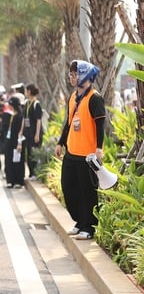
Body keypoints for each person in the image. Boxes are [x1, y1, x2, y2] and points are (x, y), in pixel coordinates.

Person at [55, 60, 106, 241]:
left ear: (84, 75)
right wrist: (61, 143)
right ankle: (79, 221)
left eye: (75, 74)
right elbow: (68, 123)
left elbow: (100, 125)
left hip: (87, 155)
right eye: (70, 74)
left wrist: (99, 149)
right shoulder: (72, 97)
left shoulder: (95, 98)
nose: (71, 77)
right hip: (71, 152)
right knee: (69, 187)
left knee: (87, 192)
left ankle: (89, 227)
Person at [19, 83, 43, 180]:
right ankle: (30, 173)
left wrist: (37, 134)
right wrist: (21, 130)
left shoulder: (36, 104)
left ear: (29, 91)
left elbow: (38, 120)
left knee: (34, 153)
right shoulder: (26, 103)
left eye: (26, 90)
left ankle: (35, 173)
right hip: (27, 133)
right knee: (28, 153)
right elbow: (24, 119)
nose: (25, 92)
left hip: (34, 133)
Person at [2, 97, 25, 188]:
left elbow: (21, 131)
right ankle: (10, 180)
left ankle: (18, 181)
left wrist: (19, 143)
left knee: (17, 162)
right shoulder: (11, 115)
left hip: (16, 142)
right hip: (9, 142)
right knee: (8, 161)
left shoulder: (20, 116)